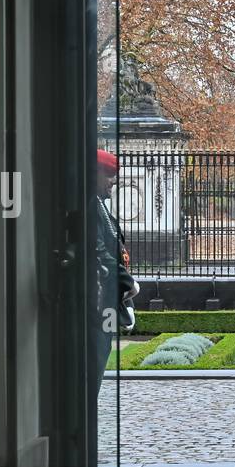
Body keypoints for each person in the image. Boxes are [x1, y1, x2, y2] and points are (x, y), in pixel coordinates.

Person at [91, 149, 138, 398]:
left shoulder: (97, 205)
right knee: (93, 367)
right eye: (109, 174)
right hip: (97, 302)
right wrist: (127, 282)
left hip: (107, 300)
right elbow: (98, 251)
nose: (114, 181)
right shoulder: (89, 205)